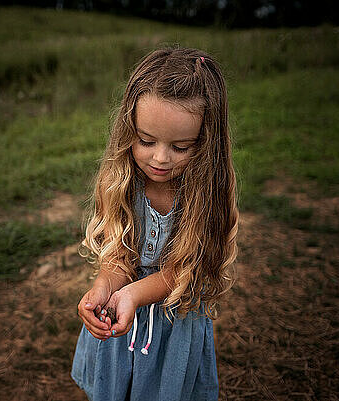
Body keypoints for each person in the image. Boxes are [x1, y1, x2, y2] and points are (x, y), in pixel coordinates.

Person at [71, 47, 239, 401]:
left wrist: (132, 294)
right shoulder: (122, 181)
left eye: (181, 147)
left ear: (206, 144)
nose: (160, 158)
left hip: (173, 326)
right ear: (128, 130)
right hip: (120, 319)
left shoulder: (205, 196)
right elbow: (120, 254)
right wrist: (105, 287)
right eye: (146, 141)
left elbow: (189, 270)